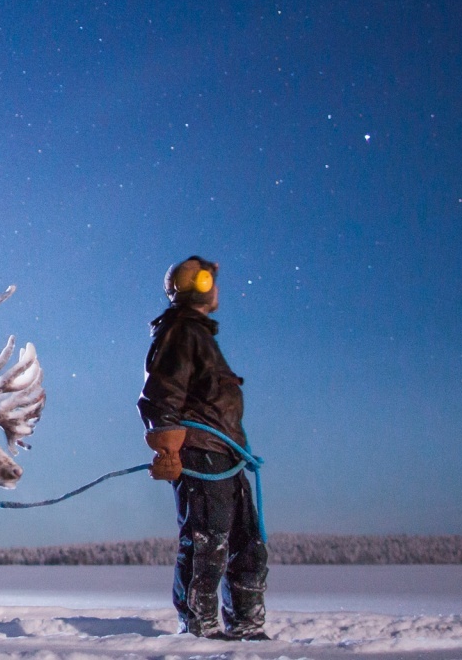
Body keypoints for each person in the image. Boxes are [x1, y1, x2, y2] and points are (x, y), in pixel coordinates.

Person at [137, 256, 270, 640]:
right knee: (206, 544)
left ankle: (247, 627)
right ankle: (200, 629)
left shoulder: (197, 335)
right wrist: (168, 448)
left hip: (225, 456)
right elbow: (161, 393)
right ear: (200, 285)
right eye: (210, 281)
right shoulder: (181, 331)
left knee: (247, 545)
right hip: (201, 455)